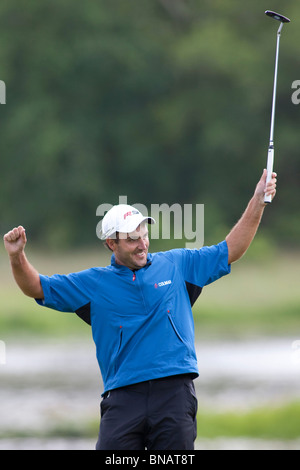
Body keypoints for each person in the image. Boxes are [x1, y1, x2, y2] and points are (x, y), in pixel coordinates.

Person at [3, 169, 277, 450]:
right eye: (133, 239)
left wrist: (257, 201)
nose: (142, 244)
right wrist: (16, 257)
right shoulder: (93, 283)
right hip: (123, 397)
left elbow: (231, 249)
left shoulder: (177, 264)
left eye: (144, 236)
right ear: (112, 243)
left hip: (174, 392)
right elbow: (36, 287)